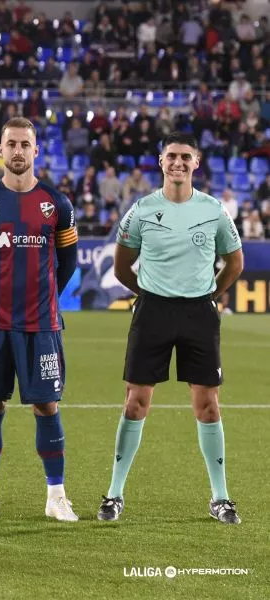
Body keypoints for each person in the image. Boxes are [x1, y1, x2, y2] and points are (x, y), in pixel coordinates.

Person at [97, 132, 244, 525]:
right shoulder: (141, 210)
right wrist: (149, 294)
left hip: (199, 313)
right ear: (160, 162)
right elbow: (121, 266)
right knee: (135, 402)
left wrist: (211, 294)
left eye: (185, 157)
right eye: (171, 157)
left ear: (196, 162)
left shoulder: (213, 210)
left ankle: (220, 497)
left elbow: (235, 262)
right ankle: (114, 494)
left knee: (208, 405)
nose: (177, 163)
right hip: (153, 313)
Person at [0, 117, 80, 522]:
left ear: (36, 150)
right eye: (11, 143)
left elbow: (68, 262)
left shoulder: (56, 203)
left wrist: (45, 297)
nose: (18, 151)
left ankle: (56, 496)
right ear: (0, 150)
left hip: (41, 324)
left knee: (47, 405)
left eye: (25, 144)